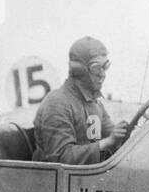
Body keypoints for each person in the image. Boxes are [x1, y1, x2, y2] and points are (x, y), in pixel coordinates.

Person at [32, 36, 131, 164]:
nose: (102, 74)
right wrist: (107, 142)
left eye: (105, 66)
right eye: (96, 67)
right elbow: (60, 158)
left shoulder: (94, 103)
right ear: (79, 70)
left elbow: (110, 135)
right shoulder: (57, 104)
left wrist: (123, 136)